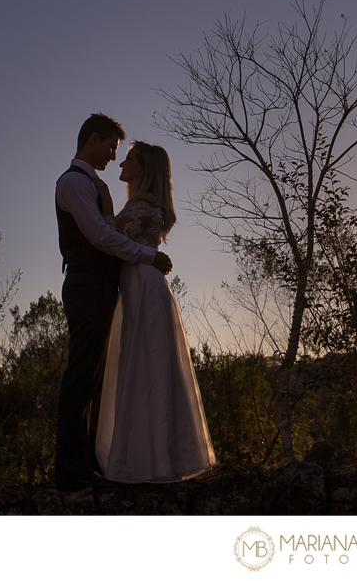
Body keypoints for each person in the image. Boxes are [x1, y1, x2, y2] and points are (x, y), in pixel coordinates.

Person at [54, 113, 172, 491]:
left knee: (95, 379)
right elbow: (101, 237)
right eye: (110, 147)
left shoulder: (95, 185)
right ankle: (70, 469)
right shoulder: (74, 184)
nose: (112, 156)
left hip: (104, 287)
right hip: (87, 284)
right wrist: (147, 255)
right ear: (92, 140)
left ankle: (90, 462)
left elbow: (108, 233)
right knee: (81, 375)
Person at [93, 140, 216, 483]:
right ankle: (149, 457)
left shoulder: (144, 205)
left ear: (144, 169)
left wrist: (102, 202)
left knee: (145, 366)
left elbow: (105, 237)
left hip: (144, 287)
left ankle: (150, 462)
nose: (121, 165)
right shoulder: (142, 204)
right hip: (139, 286)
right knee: (143, 365)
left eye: (129, 159)